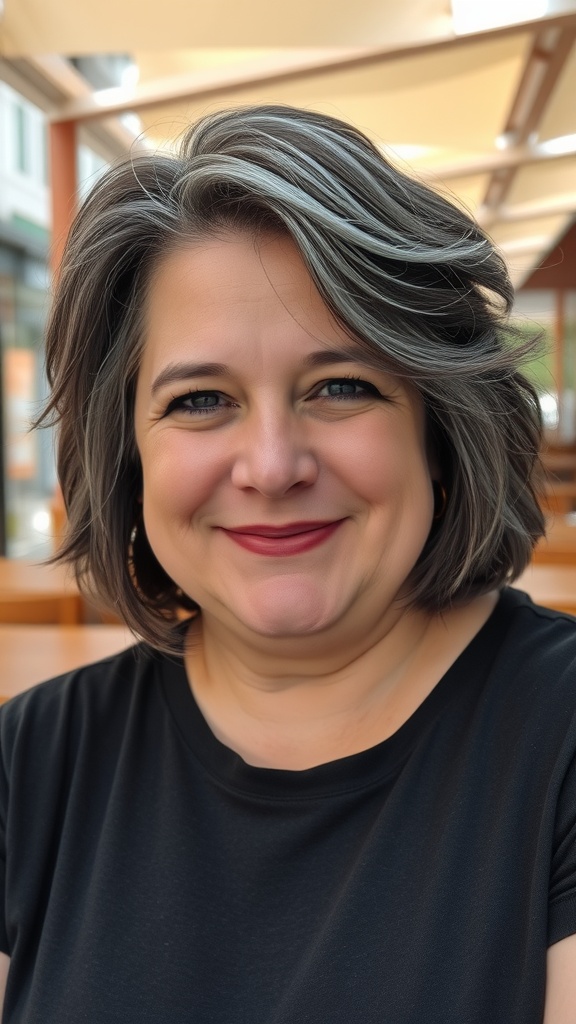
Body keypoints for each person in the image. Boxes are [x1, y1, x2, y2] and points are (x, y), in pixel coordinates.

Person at [0, 104, 574, 1023]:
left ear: (438, 428)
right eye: (201, 400)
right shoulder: (28, 765)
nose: (272, 467)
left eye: (341, 387)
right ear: (128, 456)